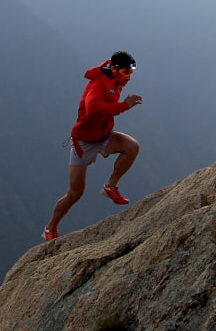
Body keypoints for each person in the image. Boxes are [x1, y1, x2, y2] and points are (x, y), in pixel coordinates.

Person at [43, 51, 143, 242]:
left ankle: (110, 186)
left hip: (104, 136)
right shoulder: (98, 84)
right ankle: (50, 228)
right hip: (84, 142)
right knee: (74, 194)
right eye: (126, 73)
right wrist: (124, 106)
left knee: (132, 146)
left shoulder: (114, 79)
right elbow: (94, 111)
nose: (129, 78)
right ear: (114, 69)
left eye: (130, 74)